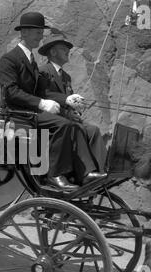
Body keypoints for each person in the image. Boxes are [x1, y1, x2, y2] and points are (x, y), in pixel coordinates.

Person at [0, 12, 106, 190]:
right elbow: (11, 92)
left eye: (41, 33)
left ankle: (86, 174)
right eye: (37, 33)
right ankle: (54, 174)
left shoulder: (31, 61)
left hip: (30, 113)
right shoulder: (9, 59)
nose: (40, 37)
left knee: (71, 124)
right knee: (63, 125)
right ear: (24, 32)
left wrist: (64, 100)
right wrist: (41, 103)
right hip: (16, 115)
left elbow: (43, 91)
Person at [38, 33, 107, 171]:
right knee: (79, 130)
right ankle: (87, 172)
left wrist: (75, 110)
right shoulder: (42, 71)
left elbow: (70, 100)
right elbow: (43, 95)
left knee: (93, 130)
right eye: (63, 49)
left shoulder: (66, 77)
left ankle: (102, 170)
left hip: (67, 117)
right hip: (52, 120)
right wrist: (67, 108)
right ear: (52, 52)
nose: (67, 51)